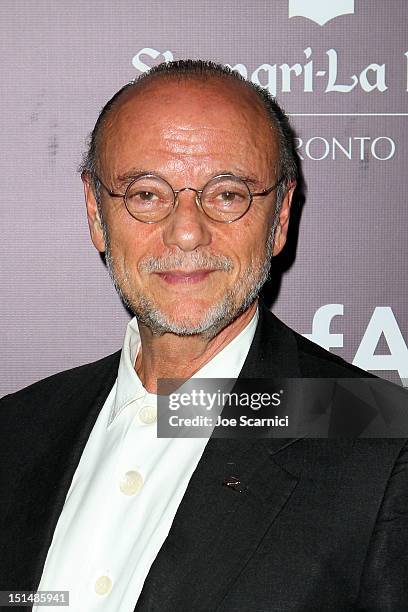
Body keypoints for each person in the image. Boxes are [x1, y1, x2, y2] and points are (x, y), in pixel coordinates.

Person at [0, 59, 407, 612]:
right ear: (96, 211)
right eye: (146, 193)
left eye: (226, 193)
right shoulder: (18, 430)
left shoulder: (379, 440)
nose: (187, 231)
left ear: (280, 215)